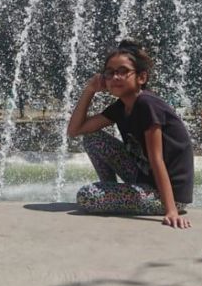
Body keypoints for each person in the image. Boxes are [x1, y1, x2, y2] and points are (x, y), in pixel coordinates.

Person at [67, 39, 193, 229]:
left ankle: (110, 196)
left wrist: (171, 211)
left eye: (123, 71)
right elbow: (75, 130)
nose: (115, 77)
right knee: (93, 138)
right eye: (110, 72)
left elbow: (157, 159)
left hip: (169, 196)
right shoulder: (121, 107)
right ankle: (111, 192)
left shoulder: (147, 105)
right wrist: (90, 90)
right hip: (144, 179)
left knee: (87, 196)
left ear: (141, 78)